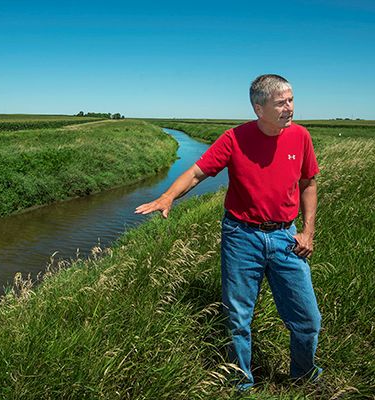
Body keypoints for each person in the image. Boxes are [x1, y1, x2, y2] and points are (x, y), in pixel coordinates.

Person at [135, 74, 322, 390]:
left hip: (286, 237)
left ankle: (303, 376)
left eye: (291, 100)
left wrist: (308, 231)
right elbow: (197, 173)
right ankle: (241, 383)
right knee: (238, 319)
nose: (290, 108)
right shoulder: (234, 139)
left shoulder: (300, 137)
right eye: (281, 103)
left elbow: (309, 183)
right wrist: (167, 196)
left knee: (308, 320)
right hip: (241, 236)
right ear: (258, 108)